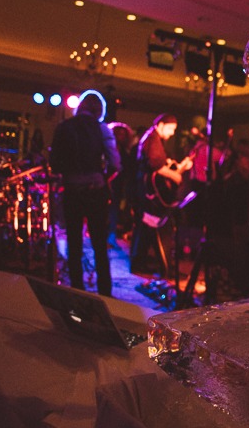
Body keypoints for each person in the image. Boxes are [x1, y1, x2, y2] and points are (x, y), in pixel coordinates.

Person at [50, 90, 121, 296]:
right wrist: (101, 177)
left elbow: (54, 164)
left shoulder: (63, 128)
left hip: (71, 190)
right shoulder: (102, 129)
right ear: (99, 110)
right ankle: (105, 295)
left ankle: (77, 292)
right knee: (99, 244)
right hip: (95, 191)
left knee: (74, 243)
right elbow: (115, 163)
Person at [130, 113, 191, 276]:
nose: (172, 133)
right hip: (148, 192)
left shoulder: (153, 138)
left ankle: (141, 262)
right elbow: (155, 165)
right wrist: (175, 175)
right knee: (151, 226)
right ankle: (153, 264)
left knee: (146, 227)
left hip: (144, 190)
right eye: (171, 129)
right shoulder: (153, 139)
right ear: (161, 125)